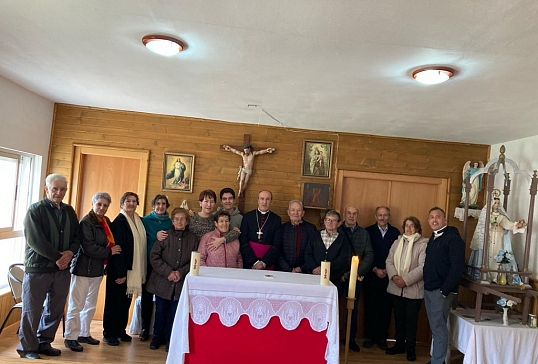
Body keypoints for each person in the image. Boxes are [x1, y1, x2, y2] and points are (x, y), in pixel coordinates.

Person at [17, 174, 81, 359]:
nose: (59, 192)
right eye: (55, 188)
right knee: (32, 309)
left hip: (62, 270)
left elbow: (77, 237)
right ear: (47, 189)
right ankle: (27, 348)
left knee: (56, 308)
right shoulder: (35, 210)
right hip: (38, 268)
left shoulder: (69, 211)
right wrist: (58, 257)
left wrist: (69, 253)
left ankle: (44, 342)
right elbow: (35, 240)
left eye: (62, 189)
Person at [64, 192, 121, 352]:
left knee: (90, 304)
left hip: (98, 269)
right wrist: (110, 252)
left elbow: (109, 242)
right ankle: (71, 337)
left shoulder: (106, 221)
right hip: (83, 268)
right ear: (93, 203)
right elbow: (89, 247)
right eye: (99, 204)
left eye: (105, 205)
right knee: (77, 304)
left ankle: (84, 333)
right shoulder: (86, 222)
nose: (102, 208)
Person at [146, 208, 199, 351]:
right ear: (172, 221)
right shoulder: (164, 236)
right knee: (160, 311)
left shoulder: (193, 239)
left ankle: (171, 340)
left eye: (183, 219)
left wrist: (180, 272)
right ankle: (157, 338)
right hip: (163, 281)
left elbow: (195, 260)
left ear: (187, 222)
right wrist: (168, 272)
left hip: (181, 283)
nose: (179, 222)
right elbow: (154, 257)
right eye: (176, 219)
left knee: (175, 314)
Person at [103, 192, 147, 346]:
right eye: (128, 201)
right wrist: (121, 273)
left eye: (134, 201)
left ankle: (120, 331)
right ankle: (109, 333)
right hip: (119, 270)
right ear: (122, 203)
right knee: (113, 303)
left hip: (132, 270)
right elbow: (118, 249)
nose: (131, 203)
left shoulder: (138, 221)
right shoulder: (119, 222)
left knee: (125, 303)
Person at [424, 207, 465, 364]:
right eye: (432, 217)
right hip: (430, 288)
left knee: (439, 329)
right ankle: (436, 358)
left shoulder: (453, 238)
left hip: (441, 291)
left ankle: (438, 361)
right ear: (428, 221)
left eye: (438, 217)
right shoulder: (433, 237)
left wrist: (444, 290)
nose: (434, 220)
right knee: (436, 328)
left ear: (445, 220)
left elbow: (457, 267)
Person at [385, 216, 428, 362]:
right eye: (406, 226)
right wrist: (395, 276)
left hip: (413, 290)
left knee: (411, 321)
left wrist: (406, 280)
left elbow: (423, 267)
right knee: (398, 319)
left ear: (417, 228)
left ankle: (410, 348)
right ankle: (399, 345)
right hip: (395, 288)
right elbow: (389, 261)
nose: (408, 229)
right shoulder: (397, 242)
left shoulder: (423, 244)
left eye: (412, 226)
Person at [337, 206, 374, 352]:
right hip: (338, 277)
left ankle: (350, 339)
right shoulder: (338, 230)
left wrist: (357, 272)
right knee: (334, 307)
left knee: (353, 309)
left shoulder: (364, 233)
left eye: (354, 213)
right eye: (348, 213)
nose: (351, 216)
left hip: (356, 277)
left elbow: (369, 254)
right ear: (344, 215)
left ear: (357, 216)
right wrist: (340, 273)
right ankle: (334, 337)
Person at [363, 206, 400, 350]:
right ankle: (369, 337)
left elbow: (398, 255)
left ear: (389, 216)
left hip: (389, 277)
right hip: (372, 275)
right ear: (375, 216)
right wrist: (374, 269)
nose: (382, 218)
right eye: (380, 215)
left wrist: (388, 270)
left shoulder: (395, 232)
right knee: (370, 307)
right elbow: (365, 253)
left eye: (385, 215)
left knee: (386, 308)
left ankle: (382, 338)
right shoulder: (368, 231)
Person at [469, 191, 526, 283]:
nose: (496, 205)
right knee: (488, 255)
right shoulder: (486, 215)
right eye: (495, 203)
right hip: (489, 238)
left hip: (499, 237)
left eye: (498, 203)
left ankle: (496, 277)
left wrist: (517, 225)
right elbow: (482, 226)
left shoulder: (501, 216)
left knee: (497, 255)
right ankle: (485, 276)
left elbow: (508, 225)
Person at [140, 194, 172, 342]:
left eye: (163, 204)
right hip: (147, 263)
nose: (160, 206)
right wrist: (155, 237)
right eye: (157, 203)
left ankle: (160, 331)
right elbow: (141, 239)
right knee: (146, 297)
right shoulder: (145, 221)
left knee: (162, 298)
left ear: (167, 206)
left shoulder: (171, 223)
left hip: (163, 266)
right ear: (153, 205)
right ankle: (144, 328)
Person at [304, 210, 350, 296]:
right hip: (314, 276)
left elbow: (342, 258)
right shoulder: (315, 235)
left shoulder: (343, 239)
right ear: (324, 221)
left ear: (339, 223)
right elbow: (308, 254)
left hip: (333, 278)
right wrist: (315, 268)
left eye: (333, 220)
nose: (330, 222)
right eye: (328, 219)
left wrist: (325, 269)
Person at [240, 190, 282, 270]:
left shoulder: (276, 219)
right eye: (262, 199)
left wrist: (264, 262)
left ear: (271, 201)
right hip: (249, 262)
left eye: (267, 199)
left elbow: (277, 244)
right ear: (258, 200)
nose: (264, 202)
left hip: (267, 263)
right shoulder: (248, 217)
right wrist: (254, 262)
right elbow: (243, 241)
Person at [276, 200, 318, 273]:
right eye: (293, 210)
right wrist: (288, 269)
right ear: (288, 213)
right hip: (283, 271)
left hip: (305, 271)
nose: (296, 213)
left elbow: (314, 252)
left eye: (299, 210)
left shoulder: (311, 229)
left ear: (303, 213)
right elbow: (277, 251)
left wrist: (300, 268)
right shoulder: (282, 228)